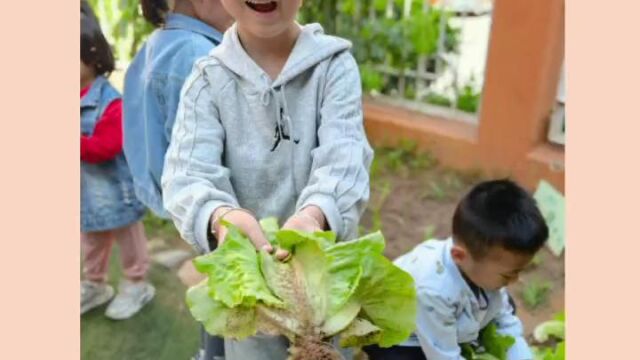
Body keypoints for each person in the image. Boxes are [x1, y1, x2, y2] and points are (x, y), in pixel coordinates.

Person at [161, 0, 374, 358]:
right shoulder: (206, 81)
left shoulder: (334, 65)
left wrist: (314, 216)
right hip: (251, 290)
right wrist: (221, 218)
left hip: (326, 283)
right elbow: (187, 174)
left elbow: (345, 158)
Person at [123, 1, 233, 358]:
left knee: (218, 286)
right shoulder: (199, 55)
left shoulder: (157, 44)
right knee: (230, 292)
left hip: (183, 203)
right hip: (219, 208)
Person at [364, 179, 548, 360]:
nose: (515, 280)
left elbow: (506, 321)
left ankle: (464, 331)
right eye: (508, 274)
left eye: (518, 271)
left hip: (441, 319)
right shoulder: (433, 289)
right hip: (399, 338)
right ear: (459, 256)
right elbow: (442, 354)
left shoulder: (480, 263)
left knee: (505, 304)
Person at [80, 0, 154, 320]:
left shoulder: (111, 103)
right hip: (86, 194)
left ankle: (137, 283)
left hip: (116, 191)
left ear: (92, 58)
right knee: (92, 240)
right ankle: (95, 283)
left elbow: (103, 148)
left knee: (129, 239)